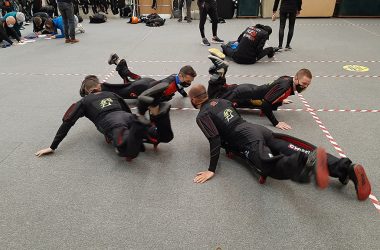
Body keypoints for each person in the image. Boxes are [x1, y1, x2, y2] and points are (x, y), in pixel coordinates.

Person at [188, 84, 371, 201]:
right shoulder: (222, 101)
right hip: (259, 130)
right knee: (290, 146)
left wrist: (211, 169)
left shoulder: (202, 115)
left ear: (193, 100)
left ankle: (303, 163)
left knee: (268, 165)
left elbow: (214, 139)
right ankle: (345, 168)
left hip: (247, 140)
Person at [35, 77, 174, 160]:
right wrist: (133, 120)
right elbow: (125, 108)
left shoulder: (83, 101)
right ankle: (157, 112)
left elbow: (67, 122)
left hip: (112, 123)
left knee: (127, 151)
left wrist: (53, 146)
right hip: (127, 116)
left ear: (86, 91)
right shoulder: (110, 93)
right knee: (161, 137)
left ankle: (138, 127)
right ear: (99, 86)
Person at [206, 56, 310, 130]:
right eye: (304, 83)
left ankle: (220, 70)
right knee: (213, 99)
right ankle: (220, 71)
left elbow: (275, 87)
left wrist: (281, 97)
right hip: (243, 93)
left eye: (307, 85)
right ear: (296, 79)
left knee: (225, 89)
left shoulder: (288, 79)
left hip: (249, 89)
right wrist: (276, 123)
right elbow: (265, 104)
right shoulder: (285, 87)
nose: (305, 86)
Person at [105, 53, 197, 116]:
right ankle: (99, 88)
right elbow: (153, 97)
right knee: (119, 92)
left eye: (191, 81)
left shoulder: (176, 78)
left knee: (129, 79)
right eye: (188, 81)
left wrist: (185, 94)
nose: (189, 83)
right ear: (181, 76)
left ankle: (118, 61)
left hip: (148, 82)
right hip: (142, 89)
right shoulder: (169, 86)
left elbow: (179, 87)